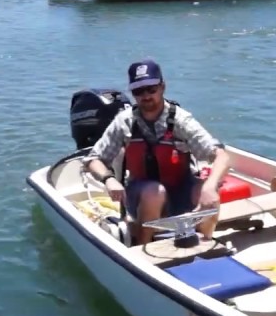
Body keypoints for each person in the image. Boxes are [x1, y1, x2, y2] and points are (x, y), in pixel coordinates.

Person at [84, 60, 229, 245]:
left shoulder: (181, 120)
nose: (146, 96)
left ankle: (206, 241)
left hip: (181, 188)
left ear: (162, 87)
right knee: (155, 192)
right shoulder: (124, 122)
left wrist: (210, 187)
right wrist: (109, 179)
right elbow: (93, 159)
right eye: (138, 91)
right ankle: (142, 245)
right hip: (141, 195)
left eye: (151, 89)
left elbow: (221, 156)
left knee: (208, 192)